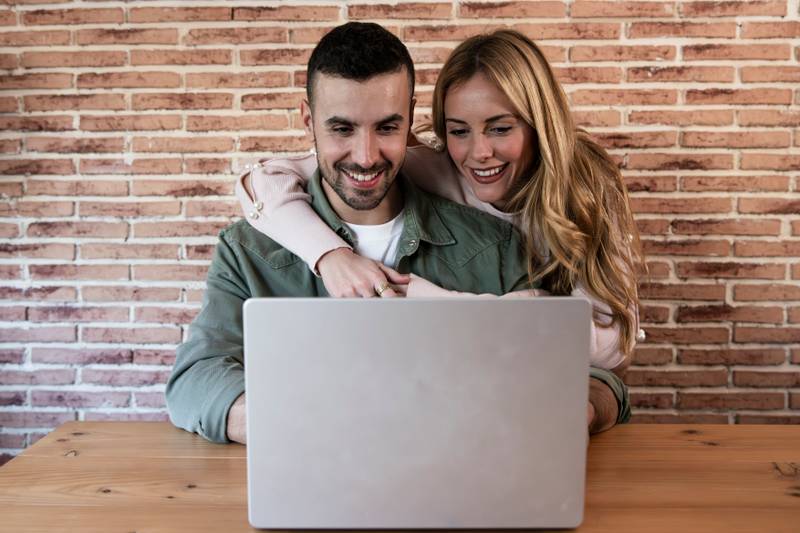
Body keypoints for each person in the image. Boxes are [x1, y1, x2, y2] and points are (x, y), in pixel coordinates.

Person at [236, 28, 643, 433]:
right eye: (459, 130)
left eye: (501, 128)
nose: (479, 153)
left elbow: (611, 347)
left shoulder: (585, 188)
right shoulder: (436, 166)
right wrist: (331, 256)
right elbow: (264, 182)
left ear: (538, 123)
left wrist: (425, 298)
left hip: (551, 386)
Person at [167, 22, 548, 444]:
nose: (366, 158)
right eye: (342, 129)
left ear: (410, 119)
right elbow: (194, 381)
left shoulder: (494, 245)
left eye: (387, 127)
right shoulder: (246, 251)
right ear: (308, 120)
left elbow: (571, 373)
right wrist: (310, 427)